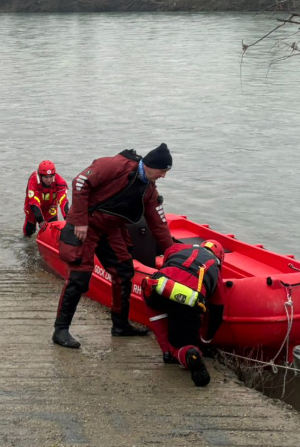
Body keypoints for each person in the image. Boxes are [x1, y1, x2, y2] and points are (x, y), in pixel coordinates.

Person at [52, 143, 176, 348]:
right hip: (86, 224)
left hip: (110, 229)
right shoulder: (116, 165)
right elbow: (80, 181)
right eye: (162, 171)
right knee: (79, 277)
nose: (163, 176)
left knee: (124, 271)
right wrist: (80, 220)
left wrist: (173, 253)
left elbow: (159, 224)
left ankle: (120, 325)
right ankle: (61, 330)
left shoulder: (149, 190)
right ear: (151, 165)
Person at [142, 239, 226, 387]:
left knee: (149, 292)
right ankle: (189, 353)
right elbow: (217, 311)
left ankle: (166, 351)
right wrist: (206, 341)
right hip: (189, 301)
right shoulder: (216, 270)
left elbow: (167, 258)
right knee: (182, 346)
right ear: (219, 258)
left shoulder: (179, 248)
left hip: (161, 287)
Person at [23, 160, 69, 237]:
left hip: (50, 206)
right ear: (40, 176)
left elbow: (63, 201)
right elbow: (34, 203)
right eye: (46, 177)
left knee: (53, 228)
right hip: (33, 206)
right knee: (30, 230)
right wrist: (41, 221)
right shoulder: (33, 180)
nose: (49, 180)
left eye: (51, 177)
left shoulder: (60, 182)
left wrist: (67, 218)